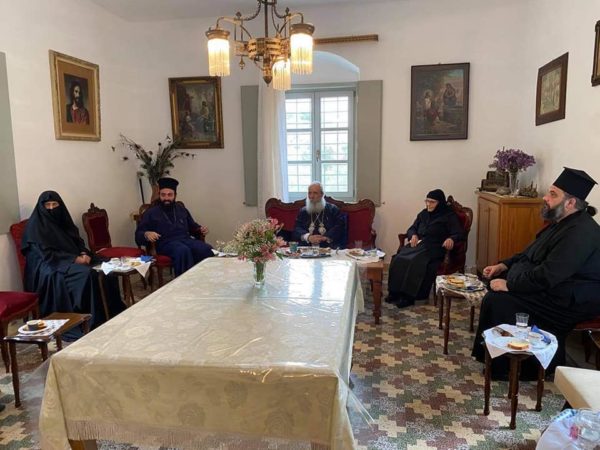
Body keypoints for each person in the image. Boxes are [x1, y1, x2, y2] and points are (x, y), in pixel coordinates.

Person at [472, 168, 600, 379]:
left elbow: (549, 274)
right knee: (495, 288)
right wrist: (504, 266)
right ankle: (494, 358)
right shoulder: (561, 222)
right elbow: (529, 253)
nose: (545, 197)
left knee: (499, 300)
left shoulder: (581, 233)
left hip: (568, 300)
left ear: (570, 203)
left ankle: (519, 369)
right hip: (553, 289)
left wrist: (510, 285)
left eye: (553, 194)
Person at [22, 191, 124, 331]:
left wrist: (83, 253)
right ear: (41, 207)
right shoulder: (35, 227)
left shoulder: (63, 221)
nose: (51, 208)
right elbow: (45, 254)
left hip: (70, 258)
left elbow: (77, 241)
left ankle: (111, 312)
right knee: (87, 274)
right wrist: (75, 259)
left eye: (54, 204)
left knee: (107, 266)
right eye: (47, 205)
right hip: (48, 266)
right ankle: (91, 320)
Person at [387, 189, 464, 308]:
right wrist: (413, 235)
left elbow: (458, 233)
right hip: (418, 245)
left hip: (434, 247)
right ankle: (395, 292)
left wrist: (451, 239)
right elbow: (412, 228)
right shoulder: (423, 214)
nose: (428, 204)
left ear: (440, 203)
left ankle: (409, 297)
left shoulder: (448, 216)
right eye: (427, 201)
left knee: (414, 261)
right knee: (398, 258)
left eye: (432, 202)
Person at [135, 177, 213, 276]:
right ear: (159, 195)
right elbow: (138, 233)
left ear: (175, 195)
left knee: (206, 249)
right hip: (165, 243)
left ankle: (204, 279)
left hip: (185, 240)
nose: (166, 198)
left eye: (170, 195)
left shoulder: (181, 209)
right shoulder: (151, 212)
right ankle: (184, 282)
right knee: (182, 250)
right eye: (163, 195)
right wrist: (146, 234)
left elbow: (193, 226)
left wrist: (200, 229)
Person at [294, 182, 346, 248]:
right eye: (309, 193)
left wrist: (325, 237)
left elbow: (339, 227)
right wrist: (308, 237)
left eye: (315, 193)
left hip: (328, 246)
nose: (311, 196)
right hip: (307, 246)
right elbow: (297, 228)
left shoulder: (333, 209)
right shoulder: (303, 211)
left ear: (322, 194)